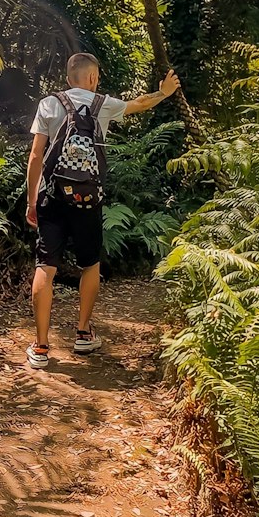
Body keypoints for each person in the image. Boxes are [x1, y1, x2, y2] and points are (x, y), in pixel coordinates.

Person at [25, 52, 181, 368]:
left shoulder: (50, 104)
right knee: (90, 265)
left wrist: (31, 201)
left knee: (46, 267)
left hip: (51, 197)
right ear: (94, 78)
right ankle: (83, 334)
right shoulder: (103, 105)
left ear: (68, 78)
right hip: (88, 200)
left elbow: (35, 156)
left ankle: (41, 347)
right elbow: (139, 103)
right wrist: (163, 93)